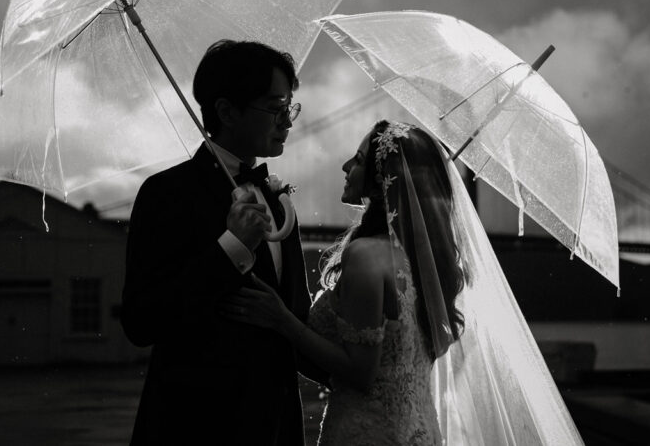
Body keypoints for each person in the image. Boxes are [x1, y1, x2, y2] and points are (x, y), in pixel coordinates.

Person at [222, 120, 584, 445]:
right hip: (421, 430)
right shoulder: (432, 266)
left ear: (382, 180)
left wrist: (282, 320)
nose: (346, 167)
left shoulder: (367, 255)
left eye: (359, 159)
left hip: (367, 434)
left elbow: (360, 372)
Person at [121, 39, 323, 445]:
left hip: (276, 427)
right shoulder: (166, 192)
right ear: (227, 111)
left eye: (290, 107)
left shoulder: (278, 199)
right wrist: (232, 247)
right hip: (194, 427)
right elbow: (141, 321)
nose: (287, 120)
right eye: (275, 107)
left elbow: (294, 318)